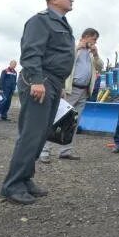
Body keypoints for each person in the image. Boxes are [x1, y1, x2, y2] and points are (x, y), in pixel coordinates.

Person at [0, 0, 75, 205]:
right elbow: (31, 52)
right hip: (40, 80)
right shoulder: (40, 20)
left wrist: (57, 84)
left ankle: (25, 179)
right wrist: (36, 80)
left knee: (41, 134)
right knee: (31, 134)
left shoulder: (62, 23)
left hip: (53, 82)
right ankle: (12, 185)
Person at [39, 28, 102, 163]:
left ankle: (66, 151)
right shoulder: (74, 48)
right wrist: (78, 48)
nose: (95, 42)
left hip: (84, 91)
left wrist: (96, 54)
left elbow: (100, 67)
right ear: (86, 37)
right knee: (57, 119)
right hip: (70, 90)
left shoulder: (91, 53)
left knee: (74, 122)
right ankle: (44, 151)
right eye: (94, 39)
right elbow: (62, 62)